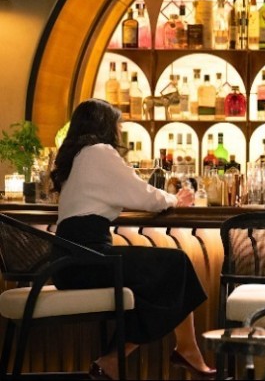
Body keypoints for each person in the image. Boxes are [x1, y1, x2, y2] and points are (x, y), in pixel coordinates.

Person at [49, 99, 215, 380]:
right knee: (175, 264)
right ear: (105, 126)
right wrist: (175, 199)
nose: (120, 131)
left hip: (71, 261)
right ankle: (126, 357)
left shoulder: (76, 159)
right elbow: (144, 196)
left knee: (168, 273)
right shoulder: (99, 152)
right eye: (118, 125)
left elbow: (118, 193)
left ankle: (180, 350)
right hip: (87, 258)